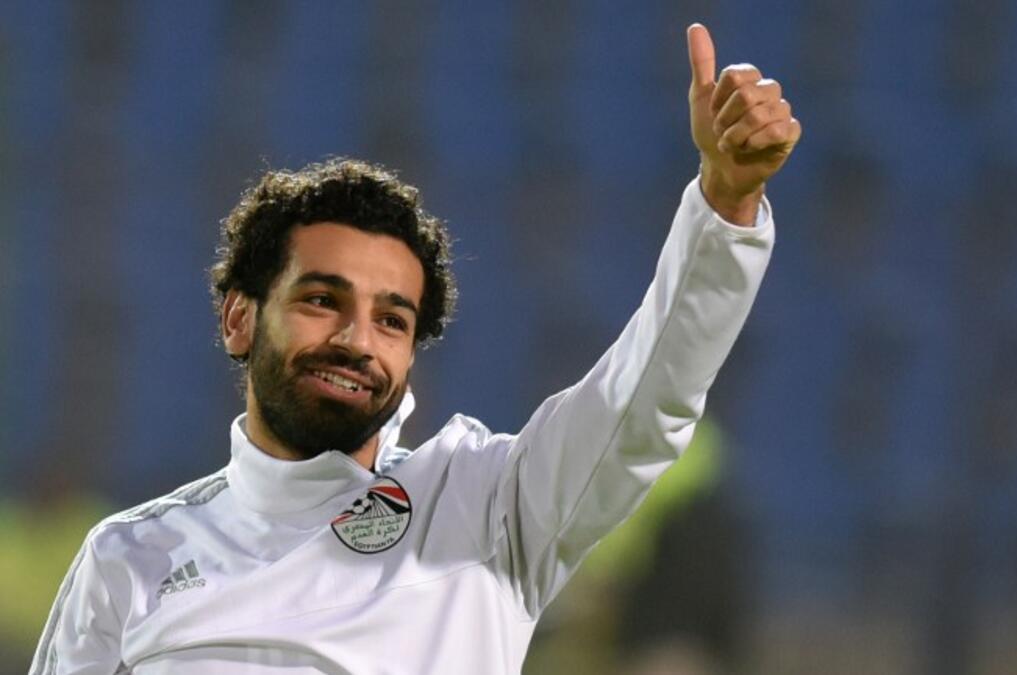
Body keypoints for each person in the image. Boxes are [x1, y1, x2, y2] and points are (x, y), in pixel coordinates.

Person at [30, 23, 800, 674]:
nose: (357, 339)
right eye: (322, 300)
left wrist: (725, 203)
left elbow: (646, 397)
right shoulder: (127, 561)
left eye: (392, 319)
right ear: (239, 319)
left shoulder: (487, 508)